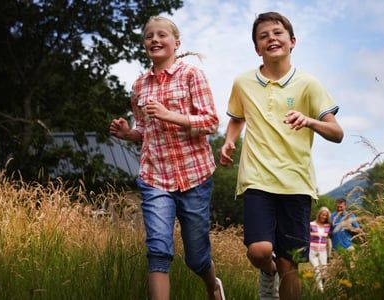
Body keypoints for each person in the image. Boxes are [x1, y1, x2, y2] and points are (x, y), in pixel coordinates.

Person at [218, 11, 344, 300]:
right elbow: (237, 116)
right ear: (256, 48)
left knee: (290, 264)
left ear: (292, 41)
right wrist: (229, 141)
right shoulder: (243, 83)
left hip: (296, 182)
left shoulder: (309, 84)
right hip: (257, 179)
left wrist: (310, 120)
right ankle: (267, 271)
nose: (271, 38)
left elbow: (337, 133)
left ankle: (278, 277)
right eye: (263, 36)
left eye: (277, 33)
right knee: (259, 250)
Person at [108, 15, 225, 300]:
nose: (155, 40)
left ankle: (213, 286)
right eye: (149, 36)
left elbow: (210, 122)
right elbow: (145, 130)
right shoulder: (139, 86)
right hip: (155, 175)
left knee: (196, 257)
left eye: (161, 35)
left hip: (193, 176)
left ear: (176, 43)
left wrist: (170, 114)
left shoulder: (191, 75)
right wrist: (127, 133)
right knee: (158, 249)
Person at [309, 207, 332, 292]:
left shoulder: (328, 226)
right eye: (323, 215)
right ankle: (321, 291)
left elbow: (328, 238)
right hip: (312, 251)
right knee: (316, 270)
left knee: (324, 272)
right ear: (319, 214)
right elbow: (306, 238)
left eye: (326, 216)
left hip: (323, 251)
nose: (324, 217)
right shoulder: (311, 224)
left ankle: (325, 288)